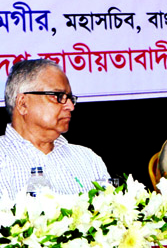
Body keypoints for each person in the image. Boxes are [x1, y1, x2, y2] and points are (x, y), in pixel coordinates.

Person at [0, 59, 109, 198]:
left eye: (70, 98)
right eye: (58, 96)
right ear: (22, 104)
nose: (70, 106)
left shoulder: (88, 160)